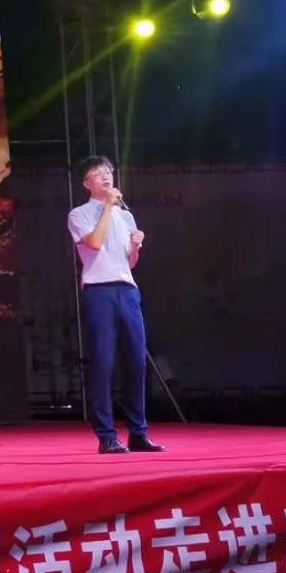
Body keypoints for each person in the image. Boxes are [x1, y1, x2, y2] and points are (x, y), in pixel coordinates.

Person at [67, 155, 165, 454]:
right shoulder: (79, 214)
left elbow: (130, 262)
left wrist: (135, 246)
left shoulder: (126, 216)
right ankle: (107, 436)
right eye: (98, 173)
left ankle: (138, 432)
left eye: (108, 171)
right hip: (99, 290)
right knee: (103, 362)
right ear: (87, 183)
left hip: (127, 289)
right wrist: (108, 207)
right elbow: (95, 243)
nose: (106, 176)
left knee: (137, 361)